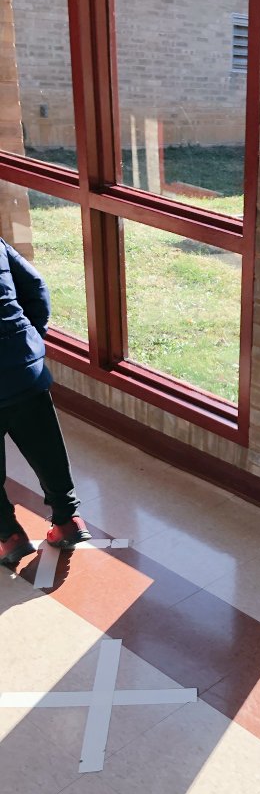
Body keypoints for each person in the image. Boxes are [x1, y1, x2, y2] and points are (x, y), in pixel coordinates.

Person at [0, 238, 90, 567]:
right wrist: (31, 337)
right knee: (47, 448)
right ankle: (68, 521)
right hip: (23, 369)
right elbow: (35, 285)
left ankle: (9, 536)